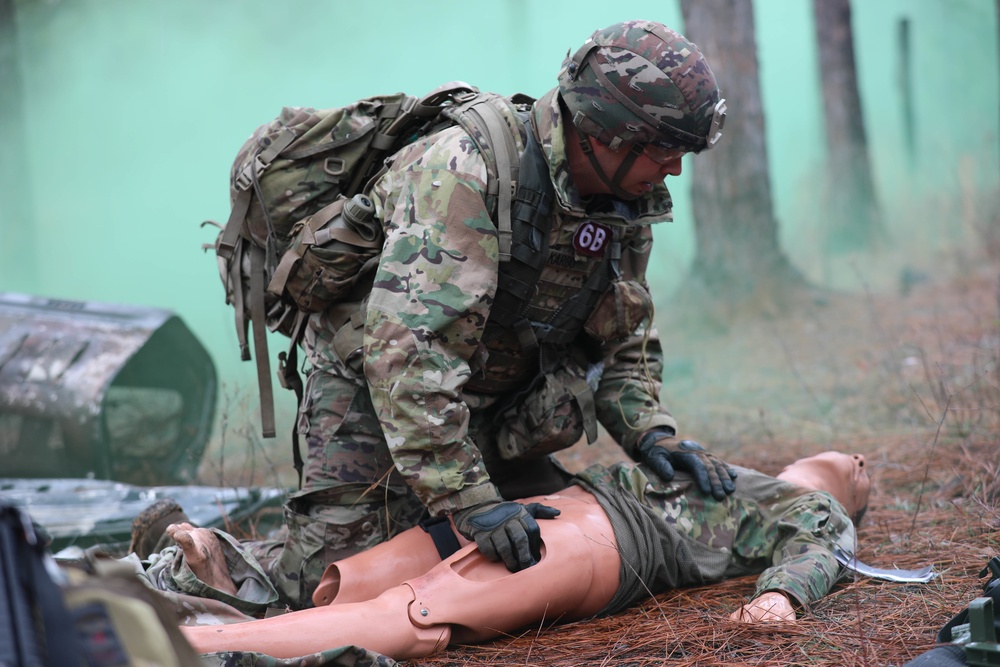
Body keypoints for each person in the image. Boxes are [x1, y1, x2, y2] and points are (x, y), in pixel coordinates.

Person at [230, 18, 736, 609]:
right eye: (665, 150)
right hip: (372, 400)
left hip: (492, 407)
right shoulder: (465, 170)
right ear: (607, 134)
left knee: (534, 568)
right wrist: (470, 502)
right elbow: (409, 358)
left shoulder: (625, 202)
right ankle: (179, 563)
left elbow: (622, 338)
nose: (674, 169)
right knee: (326, 592)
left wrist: (653, 432)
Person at [175, 450, 870, 661]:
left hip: (606, 544)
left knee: (418, 613)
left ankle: (197, 643)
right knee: (344, 581)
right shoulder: (726, 472)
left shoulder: (815, 507)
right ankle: (216, 592)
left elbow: (823, 550)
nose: (860, 458)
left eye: (865, 472)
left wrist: (783, 595)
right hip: (552, 505)